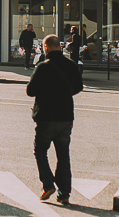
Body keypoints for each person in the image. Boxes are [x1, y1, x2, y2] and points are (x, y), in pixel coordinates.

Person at [26, 34, 83, 206]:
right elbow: (78, 87)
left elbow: (30, 90)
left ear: (46, 48)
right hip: (66, 116)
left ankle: (48, 183)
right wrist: (64, 94)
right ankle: (64, 193)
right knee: (63, 155)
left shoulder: (43, 67)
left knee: (40, 150)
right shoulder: (71, 65)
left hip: (46, 116)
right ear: (60, 47)